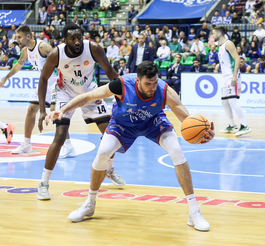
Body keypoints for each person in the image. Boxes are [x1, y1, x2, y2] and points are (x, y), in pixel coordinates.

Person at [45, 61, 214, 231]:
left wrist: (202, 134)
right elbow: (89, 96)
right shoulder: (121, 85)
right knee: (103, 152)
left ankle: (194, 212)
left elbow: (187, 120)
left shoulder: (165, 91)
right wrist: (63, 110)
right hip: (122, 125)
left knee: (177, 151)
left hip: (153, 122)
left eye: (155, 82)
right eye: (148, 84)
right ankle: (90, 203)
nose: (152, 87)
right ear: (138, 81)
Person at [36, 23, 125, 200]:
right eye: (72, 38)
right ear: (65, 40)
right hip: (64, 93)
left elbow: (109, 71)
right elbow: (44, 79)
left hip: (90, 92)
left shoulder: (93, 48)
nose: (77, 41)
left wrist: (123, 94)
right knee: (60, 136)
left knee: (111, 134)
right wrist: (42, 110)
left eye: (79, 37)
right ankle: (43, 183)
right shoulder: (56, 54)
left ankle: (109, 169)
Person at [0, 26, 75, 157]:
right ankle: (27, 144)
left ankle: (68, 146)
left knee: (55, 113)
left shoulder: (43, 47)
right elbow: (18, 65)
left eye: (19, 37)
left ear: (28, 36)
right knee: (31, 110)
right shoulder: (25, 51)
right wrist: (6, 78)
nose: (16, 39)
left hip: (56, 81)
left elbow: (60, 59)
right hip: (44, 82)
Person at [212, 26, 251, 137]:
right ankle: (232, 125)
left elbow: (237, 59)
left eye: (214, 33)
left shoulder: (228, 44)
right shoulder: (220, 46)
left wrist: (234, 75)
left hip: (231, 76)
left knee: (233, 101)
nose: (212, 36)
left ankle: (244, 125)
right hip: (225, 77)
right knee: (224, 102)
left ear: (219, 34)